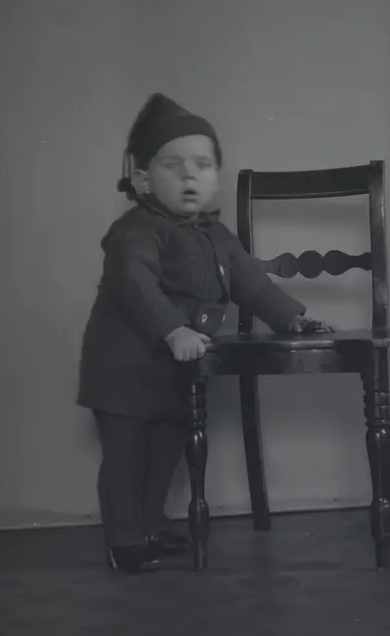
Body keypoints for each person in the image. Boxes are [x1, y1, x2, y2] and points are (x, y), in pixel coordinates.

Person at [77, 93, 335, 574]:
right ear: (142, 179)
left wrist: (290, 318)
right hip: (124, 367)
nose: (189, 176)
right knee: (127, 456)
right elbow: (134, 285)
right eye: (172, 165)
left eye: (202, 165)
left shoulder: (218, 236)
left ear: (217, 175)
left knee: (167, 451)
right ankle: (124, 540)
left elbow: (251, 284)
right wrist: (172, 329)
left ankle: (150, 523)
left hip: (178, 371)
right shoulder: (136, 230)